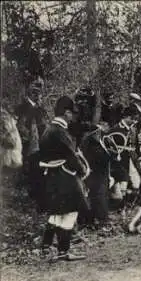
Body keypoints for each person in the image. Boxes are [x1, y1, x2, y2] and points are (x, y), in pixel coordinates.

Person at [39, 95, 89, 261]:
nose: (72, 117)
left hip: (53, 175)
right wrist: (82, 171)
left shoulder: (48, 129)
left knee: (57, 212)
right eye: (72, 113)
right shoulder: (60, 132)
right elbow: (71, 157)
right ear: (66, 113)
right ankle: (63, 251)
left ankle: (45, 249)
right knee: (71, 211)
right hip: (65, 175)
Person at [15, 80, 49, 213]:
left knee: (38, 170)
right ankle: (35, 199)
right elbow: (20, 126)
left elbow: (43, 123)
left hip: (41, 143)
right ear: (33, 95)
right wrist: (30, 137)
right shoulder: (25, 108)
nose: (40, 97)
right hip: (32, 145)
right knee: (34, 170)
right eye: (38, 94)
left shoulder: (38, 108)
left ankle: (37, 197)